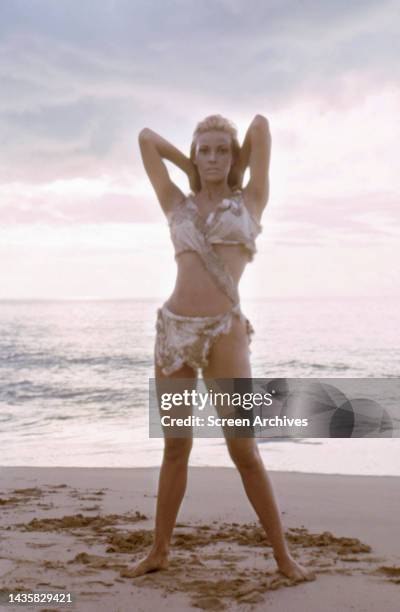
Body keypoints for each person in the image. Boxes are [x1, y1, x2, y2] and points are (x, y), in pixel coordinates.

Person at [134, 114, 315, 583]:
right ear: (196, 157)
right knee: (176, 447)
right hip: (172, 334)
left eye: (222, 150)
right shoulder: (177, 202)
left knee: (244, 450)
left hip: (224, 333)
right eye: (205, 150)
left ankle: (283, 557)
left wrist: (234, 167)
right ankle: (159, 550)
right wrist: (189, 167)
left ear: (233, 158)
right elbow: (147, 140)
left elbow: (260, 126)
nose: (213, 157)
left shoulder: (250, 201)